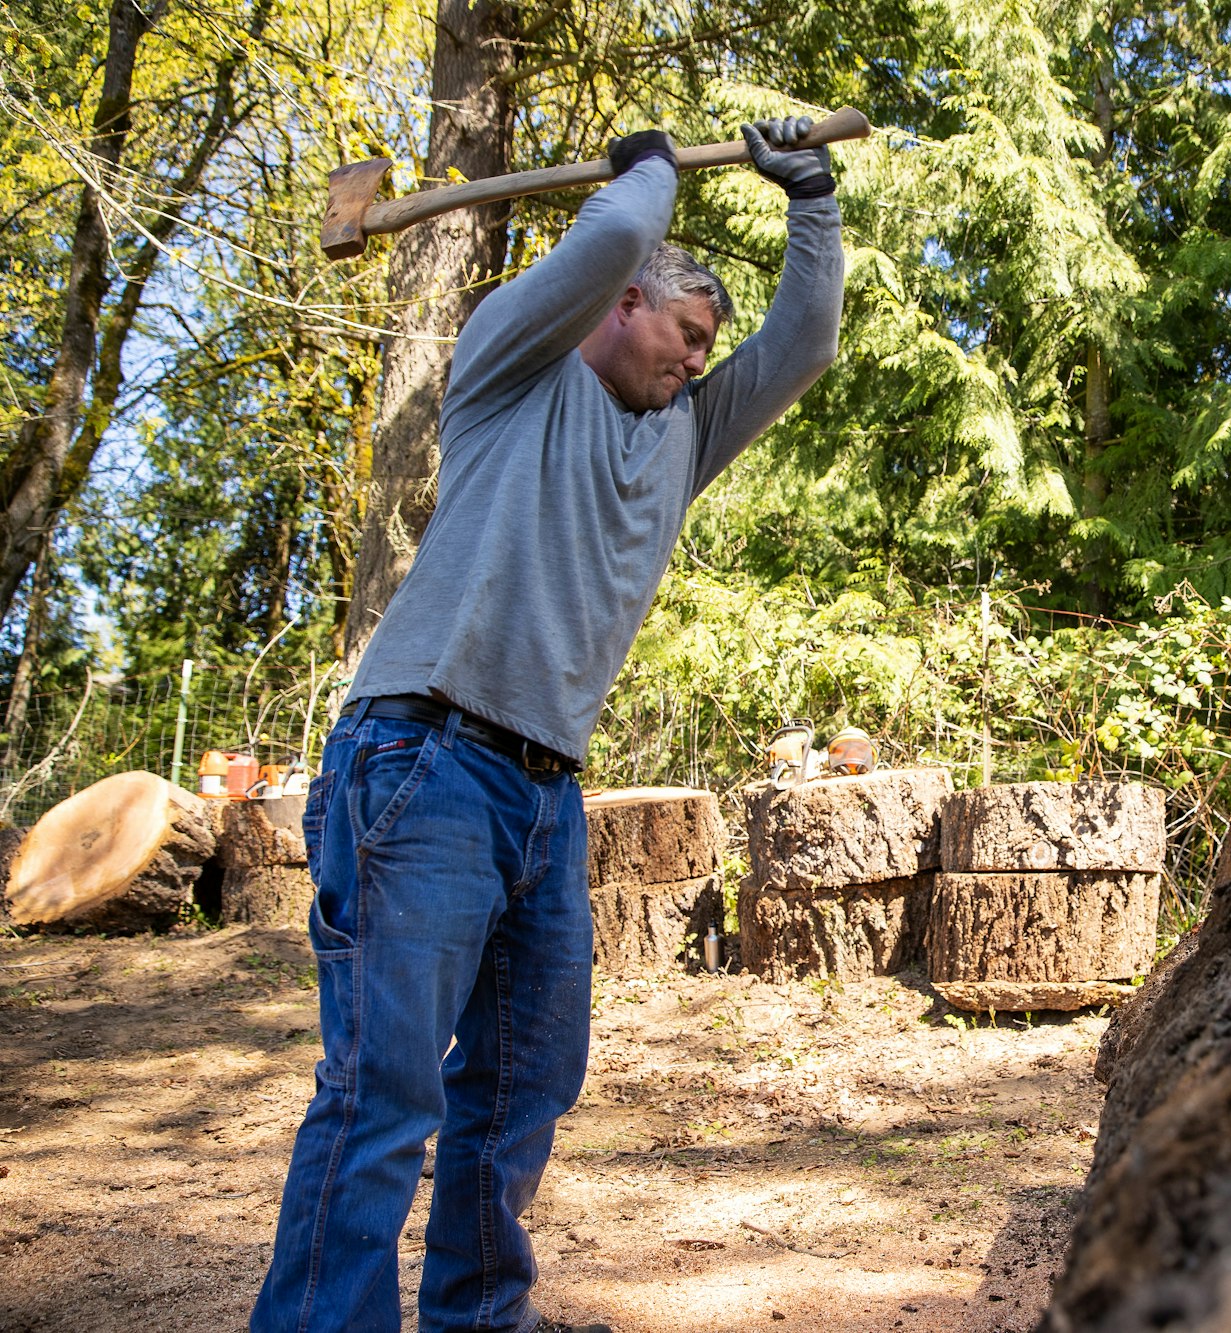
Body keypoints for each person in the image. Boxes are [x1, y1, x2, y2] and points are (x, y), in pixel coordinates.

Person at [251, 115, 844, 1333]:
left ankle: (478, 1318)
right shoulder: (508, 363)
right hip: (423, 758)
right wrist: (650, 166)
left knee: (524, 1084)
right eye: (685, 337)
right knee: (385, 1092)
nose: (695, 366)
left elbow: (807, 340)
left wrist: (812, 200)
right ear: (623, 304)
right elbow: (621, 224)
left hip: (542, 793)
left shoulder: (681, 439)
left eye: (703, 353)